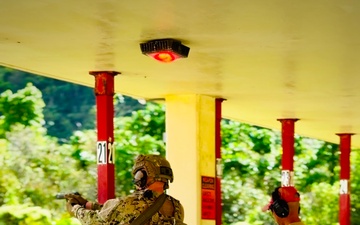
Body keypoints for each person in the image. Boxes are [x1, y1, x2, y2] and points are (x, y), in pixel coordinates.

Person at [65, 154, 185, 225]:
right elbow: (122, 213)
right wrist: (89, 205)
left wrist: (75, 209)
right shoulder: (177, 207)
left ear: (142, 177)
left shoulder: (128, 204)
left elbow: (96, 221)